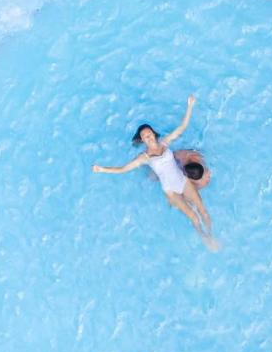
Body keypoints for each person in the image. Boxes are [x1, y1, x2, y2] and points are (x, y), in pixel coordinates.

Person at [92, 95, 216, 250]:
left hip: (182, 181)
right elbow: (123, 169)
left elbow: (181, 128)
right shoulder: (144, 157)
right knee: (193, 216)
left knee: (202, 209)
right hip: (170, 190)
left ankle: (211, 234)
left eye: (149, 133)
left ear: (154, 134)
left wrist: (190, 107)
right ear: (142, 140)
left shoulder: (165, 142)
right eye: (144, 136)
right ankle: (204, 238)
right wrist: (102, 169)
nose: (148, 136)